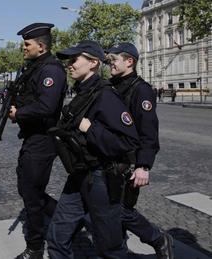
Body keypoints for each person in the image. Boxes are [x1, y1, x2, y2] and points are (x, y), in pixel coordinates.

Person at [47, 40, 139, 259]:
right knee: (57, 236)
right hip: (79, 174)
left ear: (93, 63)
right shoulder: (82, 94)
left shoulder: (105, 95)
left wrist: (91, 130)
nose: (69, 65)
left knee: (109, 247)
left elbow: (128, 141)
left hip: (101, 178)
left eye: (74, 60)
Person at [106, 42, 173, 259]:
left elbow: (148, 131)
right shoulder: (112, 86)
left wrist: (143, 165)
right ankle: (119, 251)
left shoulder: (140, 89)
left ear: (129, 61)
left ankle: (157, 238)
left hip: (128, 162)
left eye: (114, 61)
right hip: (110, 158)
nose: (110, 65)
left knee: (122, 211)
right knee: (110, 210)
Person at [8, 23, 68, 259]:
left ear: (40, 46)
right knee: (25, 187)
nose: (23, 48)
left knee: (32, 196)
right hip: (32, 137)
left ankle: (34, 247)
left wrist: (18, 114)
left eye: (27, 44)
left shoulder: (51, 70)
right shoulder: (35, 68)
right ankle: (68, 217)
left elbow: (47, 106)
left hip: (43, 139)